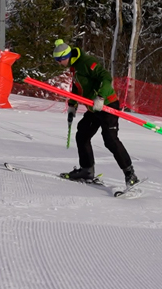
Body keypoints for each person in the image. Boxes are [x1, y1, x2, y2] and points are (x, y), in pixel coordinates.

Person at [53, 39, 139, 187]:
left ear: (66, 57)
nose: (59, 64)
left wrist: (100, 97)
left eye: (59, 60)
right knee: (82, 134)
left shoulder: (86, 62)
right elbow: (77, 86)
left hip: (107, 105)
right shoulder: (74, 66)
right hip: (93, 108)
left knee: (110, 139)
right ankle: (87, 170)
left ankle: (130, 174)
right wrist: (72, 104)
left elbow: (106, 77)